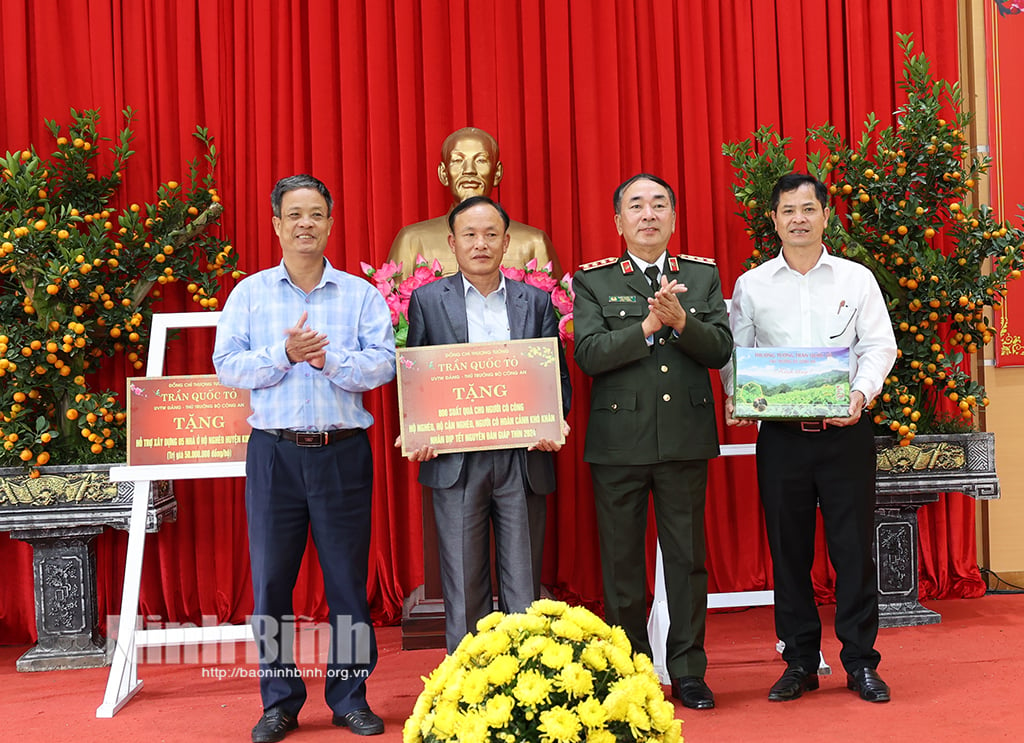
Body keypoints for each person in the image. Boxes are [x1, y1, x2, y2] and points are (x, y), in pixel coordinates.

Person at [213, 174, 396, 741]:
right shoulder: (249, 294)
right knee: (271, 583)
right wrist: (283, 353)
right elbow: (227, 367)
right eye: (294, 215)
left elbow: (384, 364)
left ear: (330, 223)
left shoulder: (360, 295)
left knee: (346, 583)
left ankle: (349, 698)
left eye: (316, 214)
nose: (305, 225)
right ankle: (279, 702)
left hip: (341, 453)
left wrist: (326, 360)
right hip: (274, 454)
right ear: (276, 224)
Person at [722, 172, 897, 704]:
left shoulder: (856, 279)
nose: (798, 218)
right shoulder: (752, 284)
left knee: (853, 552)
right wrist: (741, 396)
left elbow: (879, 345)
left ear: (826, 214)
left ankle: (861, 663)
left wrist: (861, 395)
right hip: (781, 440)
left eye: (808, 208)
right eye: (787, 210)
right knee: (789, 552)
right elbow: (736, 354)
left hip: (845, 435)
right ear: (773, 219)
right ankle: (798, 661)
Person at [572, 173, 733, 710]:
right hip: (618, 442)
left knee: (686, 559)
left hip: (684, 439)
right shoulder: (593, 281)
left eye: (659, 204)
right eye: (636, 206)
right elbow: (589, 355)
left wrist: (682, 321)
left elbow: (719, 351)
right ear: (618, 221)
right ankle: (631, 670)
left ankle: (688, 670)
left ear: (673, 217)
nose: (648, 214)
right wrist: (645, 326)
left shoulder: (700, 275)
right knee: (621, 563)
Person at [400, 195, 571, 653]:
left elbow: (556, 376)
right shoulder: (426, 301)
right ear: (452, 244)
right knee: (463, 586)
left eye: (491, 234)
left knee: (523, 585)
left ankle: (525, 683)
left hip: (522, 457)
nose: (481, 244)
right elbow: (417, 378)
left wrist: (556, 421)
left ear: (507, 242)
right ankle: (466, 690)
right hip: (457, 460)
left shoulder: (535, 302)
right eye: (470, 236)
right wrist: (420, 431)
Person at [387, 127, 562, 280]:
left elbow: (557, 314)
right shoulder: (411, 241)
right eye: (457, 161)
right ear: (443, 173)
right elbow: (392, 311)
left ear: (497, 173)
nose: (469, 170)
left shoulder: (533, 242)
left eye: (480, 160)